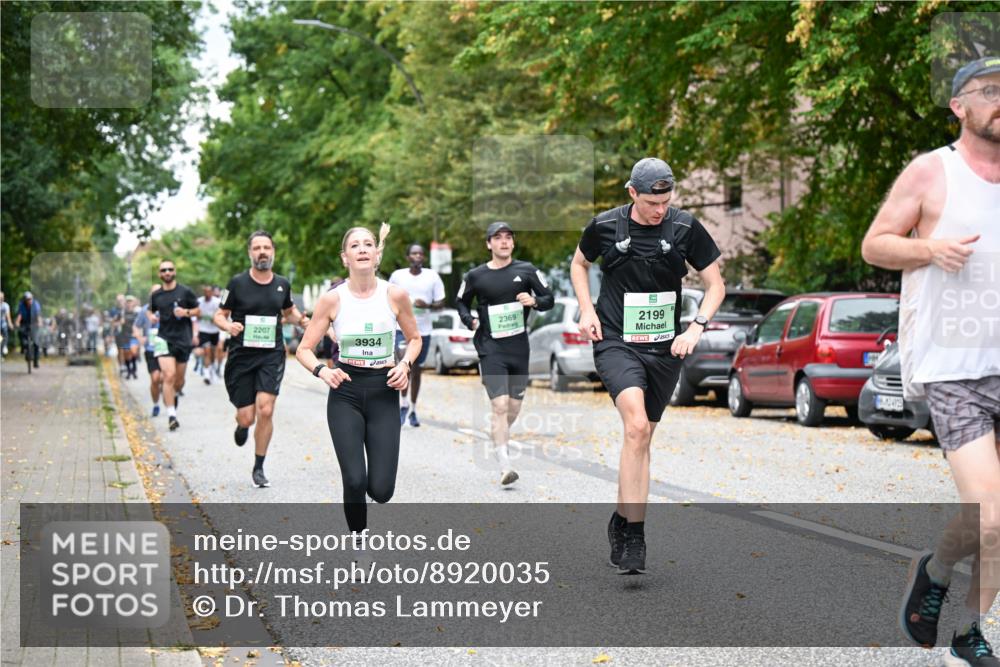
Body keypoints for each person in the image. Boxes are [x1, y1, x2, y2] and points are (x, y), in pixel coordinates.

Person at [861, 56, 1000, 665]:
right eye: (989, 91)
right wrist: (928, 247)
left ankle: (966, 622)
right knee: (990, 513)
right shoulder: (932, 171)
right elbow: (874, 245)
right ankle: (943, 576)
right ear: (959, 107)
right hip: (953, 366)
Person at [570, 157, 724, 575]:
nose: (660, 210)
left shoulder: (685, 228)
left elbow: (716, 284)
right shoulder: (604, 226)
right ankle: (635, 533)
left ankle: (621, 518)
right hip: (616, 342)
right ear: (632, 193)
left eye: (666, 202)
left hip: (664, 351)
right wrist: (587, 310)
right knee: (635, 427)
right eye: (652, 202)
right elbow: (579, 264)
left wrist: (694, 329)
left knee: (642, 439)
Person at [296, 225, 420, 547]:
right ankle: (360, 542)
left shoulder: (394, 295)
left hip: (384, 392)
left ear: (377, 254)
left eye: (368, 244)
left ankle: (370, 492)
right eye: (355, 245)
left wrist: (405, 364)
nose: (362, 249)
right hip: (346, 392)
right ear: (345, 257)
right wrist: (323, 371)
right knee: (354, 479)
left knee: (381, 491)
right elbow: (303, 349)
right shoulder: (332, 299)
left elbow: (415, 340)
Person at [456, 222, 554, 486]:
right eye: (497, 238)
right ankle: (504, 464)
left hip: (519, 348)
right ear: (489, 244)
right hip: (490, 347)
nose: (504, 242)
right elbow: (461, 302)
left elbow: (549, 299)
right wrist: (471, 321)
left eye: (508, 238)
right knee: (499, 406)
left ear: (513, 242)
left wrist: (533, 301)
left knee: (512, 408)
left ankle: (498, 434)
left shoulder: (527, 270)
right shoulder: (475, 276)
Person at [214, 231, 309, 488]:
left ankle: (259, 467)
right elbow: (219, 315)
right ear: (250, 253)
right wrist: (228, 326)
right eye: (257, 248)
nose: (262, 252)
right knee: (247, 416)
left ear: (273, 252)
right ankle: (242, 426)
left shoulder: (282, 284)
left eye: (266, 247)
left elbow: (288, 311)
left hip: (271, 354)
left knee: (266, 409)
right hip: (241, 357)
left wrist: (302, 321)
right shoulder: (236, 283)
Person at [389, 243, 446, 426]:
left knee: (417, 369)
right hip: (400, 330)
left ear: (424, 257)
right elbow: (386, 297)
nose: (417, 256)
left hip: (423, 331)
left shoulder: (432, 276)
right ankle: (402, 405)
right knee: (404, 365)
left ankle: (413, 408)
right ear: (408, 257)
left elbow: (441, 303)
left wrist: (427, 305)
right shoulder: (398, 276)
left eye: (421, 254)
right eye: (414, 253)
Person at [148, 260, 200, 431]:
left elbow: (198, 311)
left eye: (170, 269)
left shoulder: (185, 292)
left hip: (183, 340)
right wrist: (151, 316)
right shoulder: (157, 295)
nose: (167, 272)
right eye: (164, 270)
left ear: (175, 271)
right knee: (168, 376)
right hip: (163, 338)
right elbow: (150, 309)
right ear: (159, 274)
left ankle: (175, 394)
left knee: (179, 381)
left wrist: (185, 312)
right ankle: (172, 415)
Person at [134, 286, 164, 416]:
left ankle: (167, 391)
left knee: (166, 377)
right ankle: (156, 404)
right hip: (151, 348)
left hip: (166, 348)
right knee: (155, 379)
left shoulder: (168, 307)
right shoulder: (144, 310)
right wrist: (139, 337)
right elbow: (136, 326)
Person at [196, 284, 222, 385]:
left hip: (214, 331)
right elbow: (196, 315)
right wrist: (199, 316)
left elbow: (220, 315)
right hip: (203, 330)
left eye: (208, 291)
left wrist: (214, 319)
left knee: (213, 352)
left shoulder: (217, 302)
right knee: (206, 351)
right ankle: (206, 374)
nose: (207, 293)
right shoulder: (199, 301)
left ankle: (211, 368)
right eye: (205, 291)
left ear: (211, 292)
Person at [15, 291, 43, 368]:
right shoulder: (22, 305)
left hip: (34, 323)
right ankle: (24, 347)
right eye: (27, 299)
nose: (29, 301)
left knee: (36, 343)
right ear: (25, 300)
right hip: (24, 322)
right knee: (20, 333)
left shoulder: (35, 304)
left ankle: (36, 361)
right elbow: (19, 315)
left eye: (30, 299)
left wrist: (39, 322)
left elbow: (38, 315)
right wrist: (17, 322)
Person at [1, 291, 13, 356]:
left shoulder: (5, 305)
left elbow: (8, 316)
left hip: (3, 323)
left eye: (2, 298)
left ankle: (5, 346)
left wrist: (10, 323)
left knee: (5, 333)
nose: (1, 299)